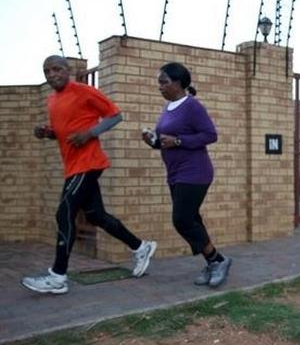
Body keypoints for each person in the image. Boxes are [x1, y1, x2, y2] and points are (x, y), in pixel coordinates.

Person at [22, 56, 157, 295]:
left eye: (56, 69)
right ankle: (140, 246)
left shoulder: (83, 91)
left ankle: (57, 276)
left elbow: (115, 115)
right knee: (96, 216)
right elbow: (62, 133)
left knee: (64, 212)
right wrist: (47, 132)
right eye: (46, 71)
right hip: (73, 165)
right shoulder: (52, 100)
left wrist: (89, 133)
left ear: (68, 70)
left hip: (88, 163)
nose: (51, 74)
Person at [142, 62, 231, 288]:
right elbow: (166, 142)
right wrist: (153, 141)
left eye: (164, 82)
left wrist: (179, 141)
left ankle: (218, 260)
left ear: (179, 83)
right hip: (175, 173)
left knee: (181, 219)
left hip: (195, 172)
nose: (160, 87)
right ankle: (213, 262)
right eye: (158, 83)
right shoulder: (168, 108)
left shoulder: (192, 106)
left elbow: (210, 135)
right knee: (192, 219)